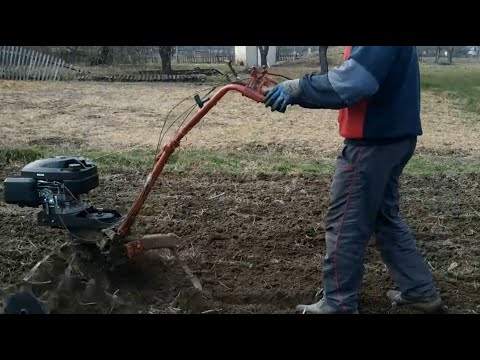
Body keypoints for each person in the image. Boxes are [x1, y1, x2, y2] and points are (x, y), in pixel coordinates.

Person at [264, 46, 444, 314]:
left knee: (346, 223)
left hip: (373, 144)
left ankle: (338, 304)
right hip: (392, 138)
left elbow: (354, 82)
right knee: (384, 219)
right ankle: (420, 292)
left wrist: (299, 88)